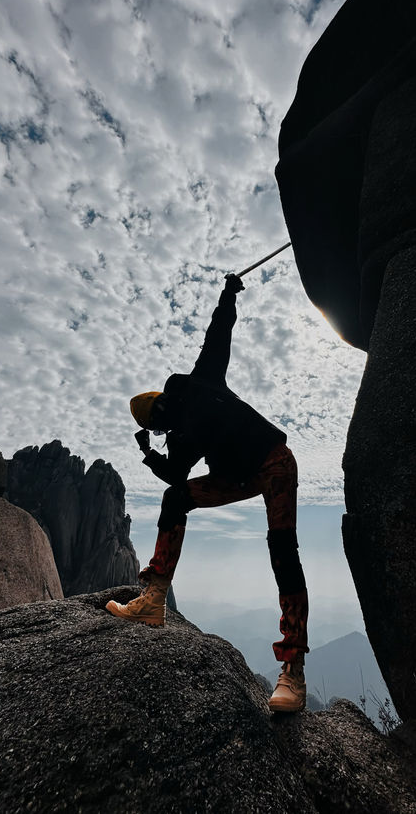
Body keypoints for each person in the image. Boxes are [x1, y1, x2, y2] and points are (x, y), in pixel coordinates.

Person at [106, 273, 308, 712]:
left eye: (154, 425)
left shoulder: (200, 384)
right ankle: (154, 601)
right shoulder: (183, 429)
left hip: (273, 461)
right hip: (245, 475)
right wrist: (227, 294)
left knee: (282, 550)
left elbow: (219, 331)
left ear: (157, 413)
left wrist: (228, 294)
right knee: (178, 500)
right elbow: (175, 479)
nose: (160, 430)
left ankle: (293, 669)